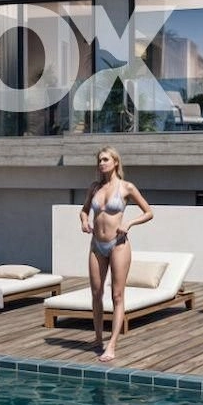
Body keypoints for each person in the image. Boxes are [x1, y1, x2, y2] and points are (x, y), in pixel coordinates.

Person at [77, 146, 153, 364]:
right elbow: (84, 210)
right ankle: (98, 338)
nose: (101, 163)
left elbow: (149, 212)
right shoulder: (94, 187)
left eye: (105, 159)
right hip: (96, 245)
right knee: (96, 292)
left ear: (115, 162)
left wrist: (129, 223)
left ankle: (111, 344)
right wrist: (84, 221)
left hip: (118, 245)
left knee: (117, 295)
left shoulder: (127, 187)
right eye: (99, 160)